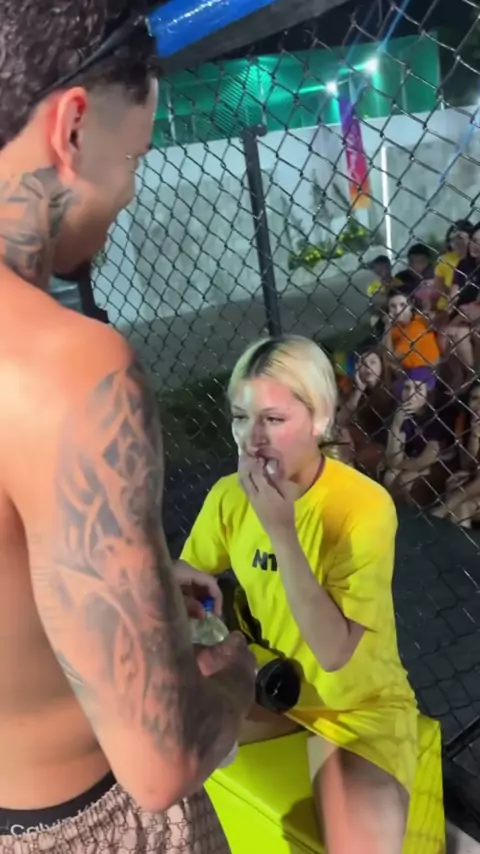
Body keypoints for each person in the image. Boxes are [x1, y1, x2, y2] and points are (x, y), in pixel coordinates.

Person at [0, 2, 256, 851]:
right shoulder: (70, 370)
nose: (133, 190)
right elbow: (160, 762)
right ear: (73, 128)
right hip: (85, 827)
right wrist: (234, 684)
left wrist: (127, 581)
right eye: (135, 156)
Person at [179, 335, 419, 854]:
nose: (251, 439)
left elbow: (333, 652)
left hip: (355, 709)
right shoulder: (229, 496)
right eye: (241, 418)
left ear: (320, 419)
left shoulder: (362, 507)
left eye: (273, 419)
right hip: (266, 692)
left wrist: (281, 532)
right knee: (137, 744)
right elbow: (187, 574)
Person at [384, 368, 454, 508]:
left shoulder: (438, 416)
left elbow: (427, 458)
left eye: (417, 389)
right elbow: (393, 459)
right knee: (390, 475)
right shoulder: (402, 413)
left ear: (428, 393)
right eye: (407, 388)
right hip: (412, 462)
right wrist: (396, 426)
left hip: (439, 464)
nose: (410, 394)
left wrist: (400, 465)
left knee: (405, 480)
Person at [338, 347, 396, 478]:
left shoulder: (393, 389)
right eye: (363, 363)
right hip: (365, 442)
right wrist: (359, 389)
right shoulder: (358, 391)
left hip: (385, 446)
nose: (368, 367)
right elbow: (340, 421)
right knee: (343, 432)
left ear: (382, 365)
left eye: (373, 362)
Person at [432, 382, 480, 527]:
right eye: (474, 398)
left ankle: (445, 508)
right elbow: (467, 464)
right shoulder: (464, 420)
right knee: (461, 508)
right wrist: (474, 435)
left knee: (457, 500)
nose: (479, 405)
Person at [383, 288, 440, 371]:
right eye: (393, 306)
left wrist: (387, 326)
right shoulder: (396, 327)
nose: (398, 311)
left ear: (410, 305)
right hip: (409, 370)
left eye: (402, 305)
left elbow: (392, 356)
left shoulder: (419, 323)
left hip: (426, 369)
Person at [434, 219, 473, 311]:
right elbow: (438, 287)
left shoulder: (475, 260)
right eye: (452, 239)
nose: (455, 242)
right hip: (445, 306)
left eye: (460, 238)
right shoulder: (445, 259)